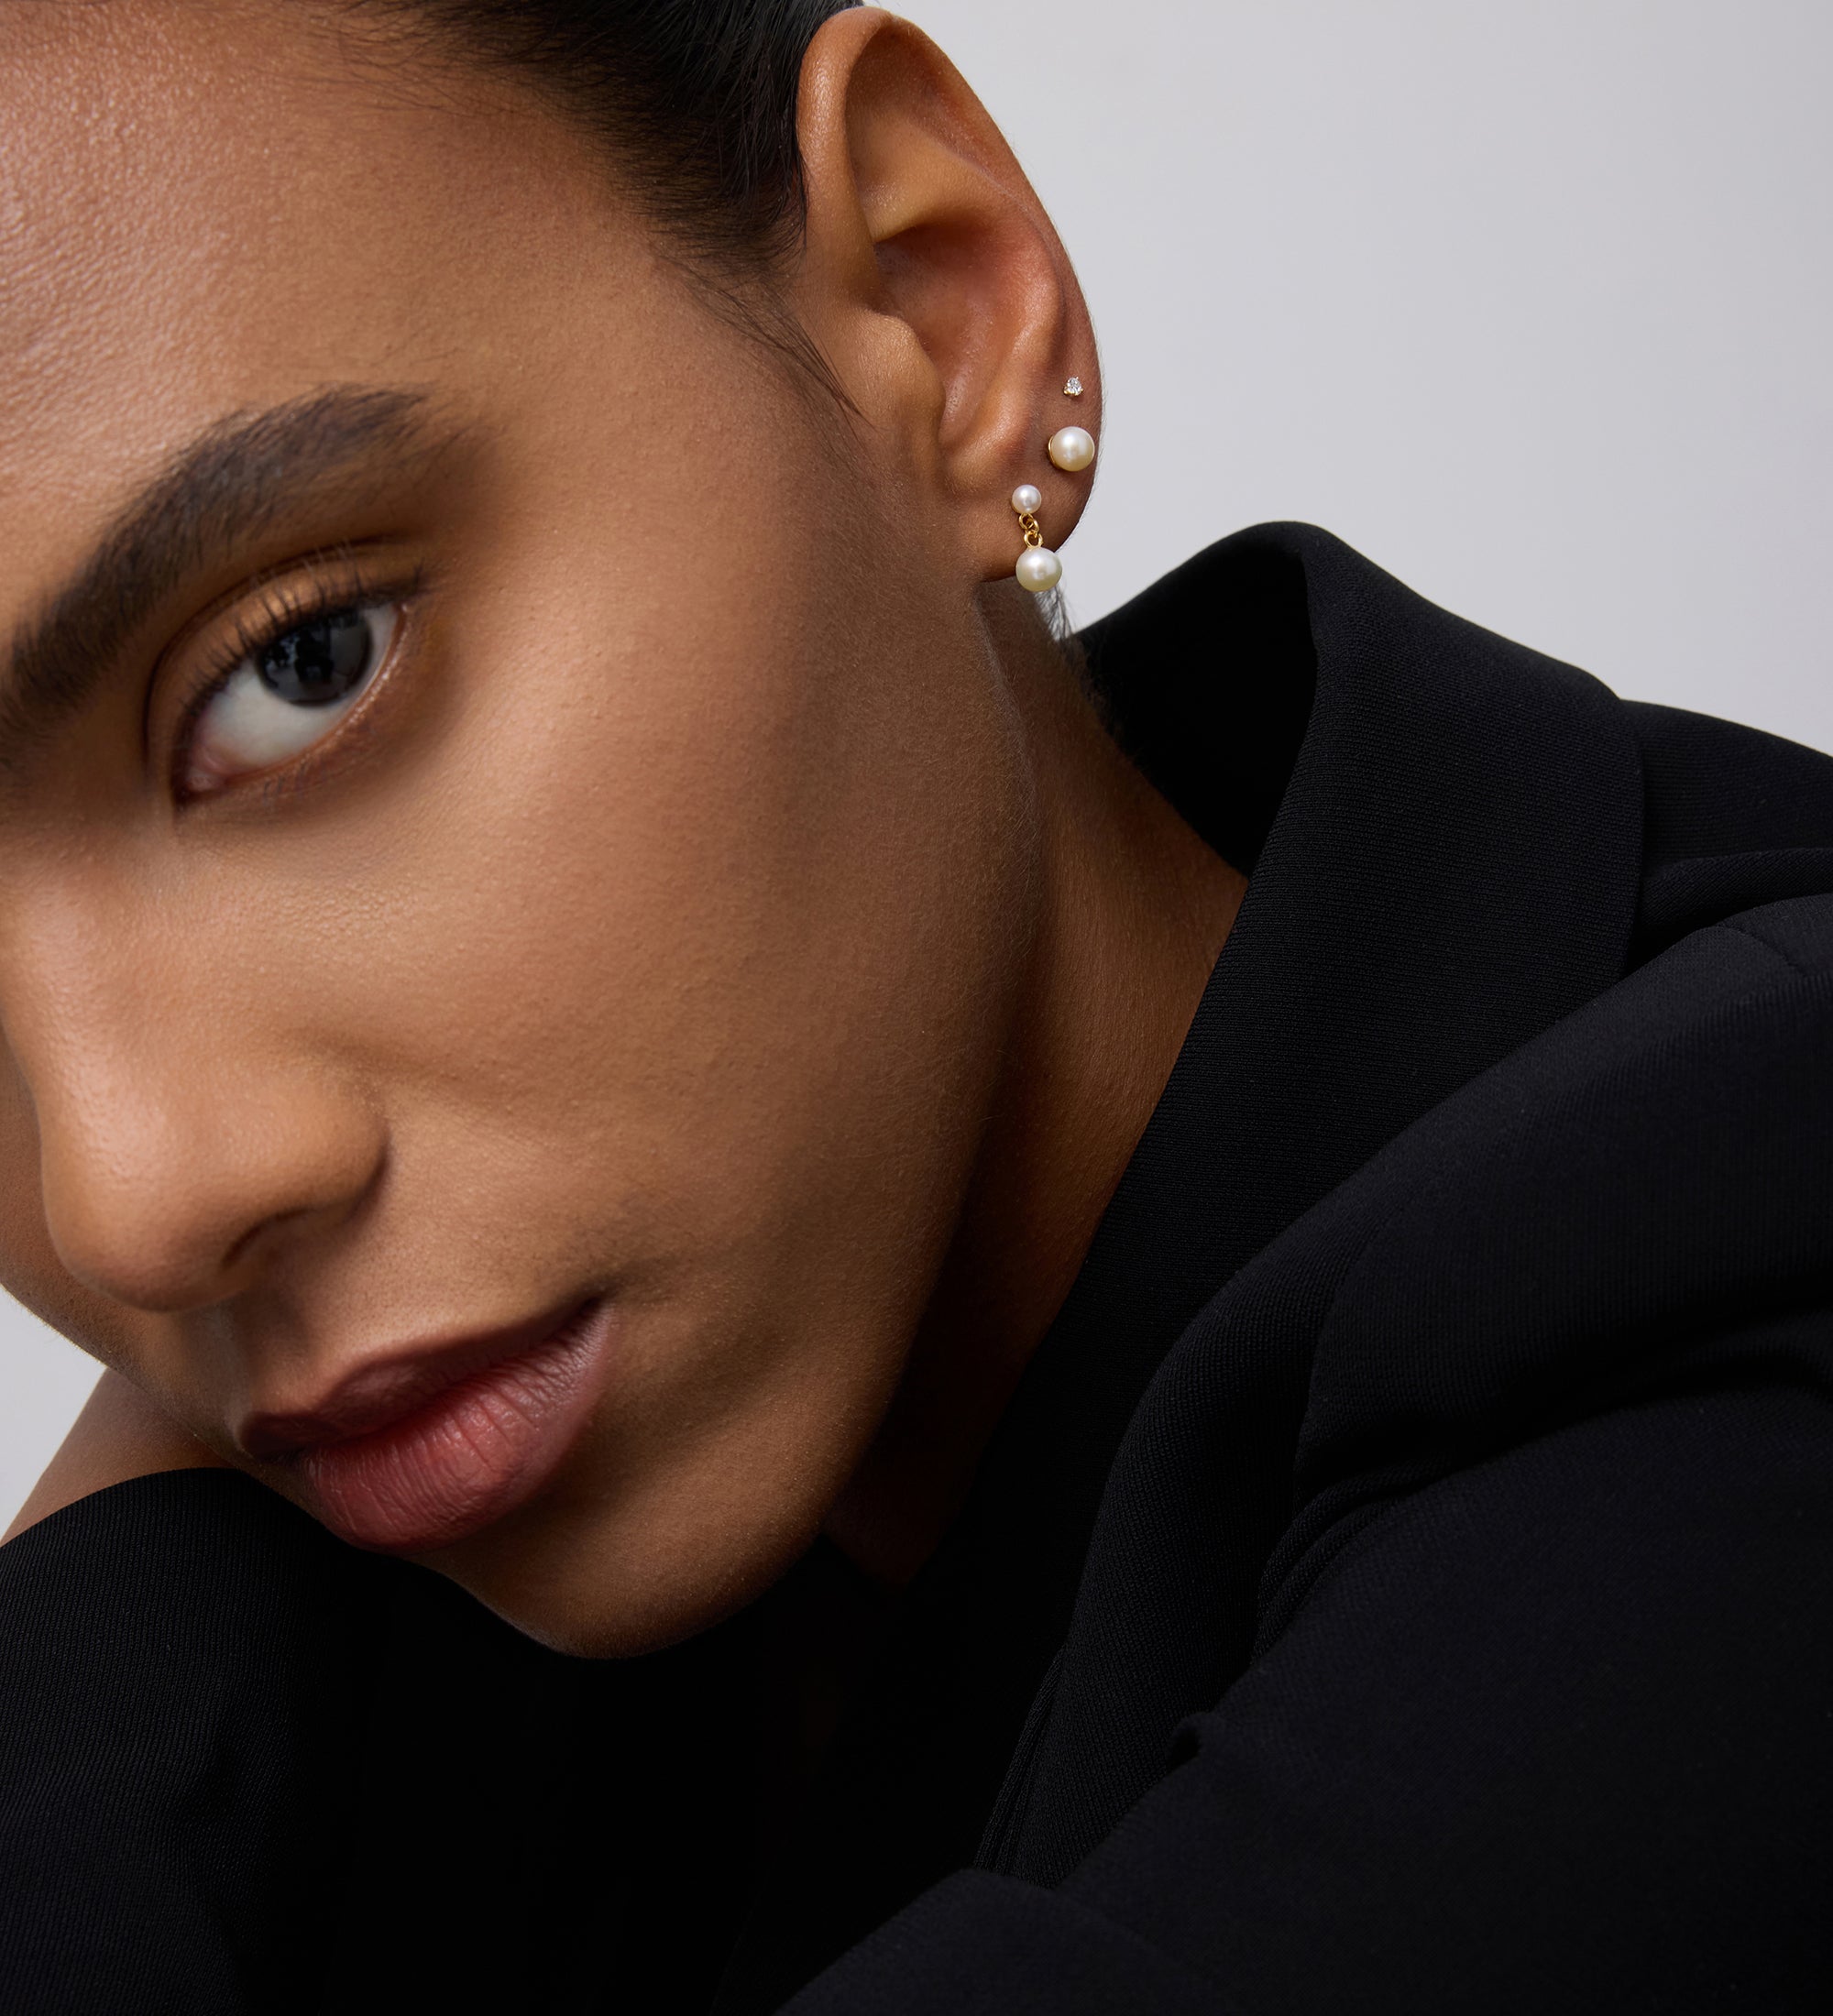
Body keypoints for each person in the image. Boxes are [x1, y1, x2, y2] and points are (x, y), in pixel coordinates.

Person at [0, 2, 1828, 2010]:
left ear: (938, 313)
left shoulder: (1740, 1308)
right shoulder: (501, 1566)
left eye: (305, 661)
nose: (129, 1196)